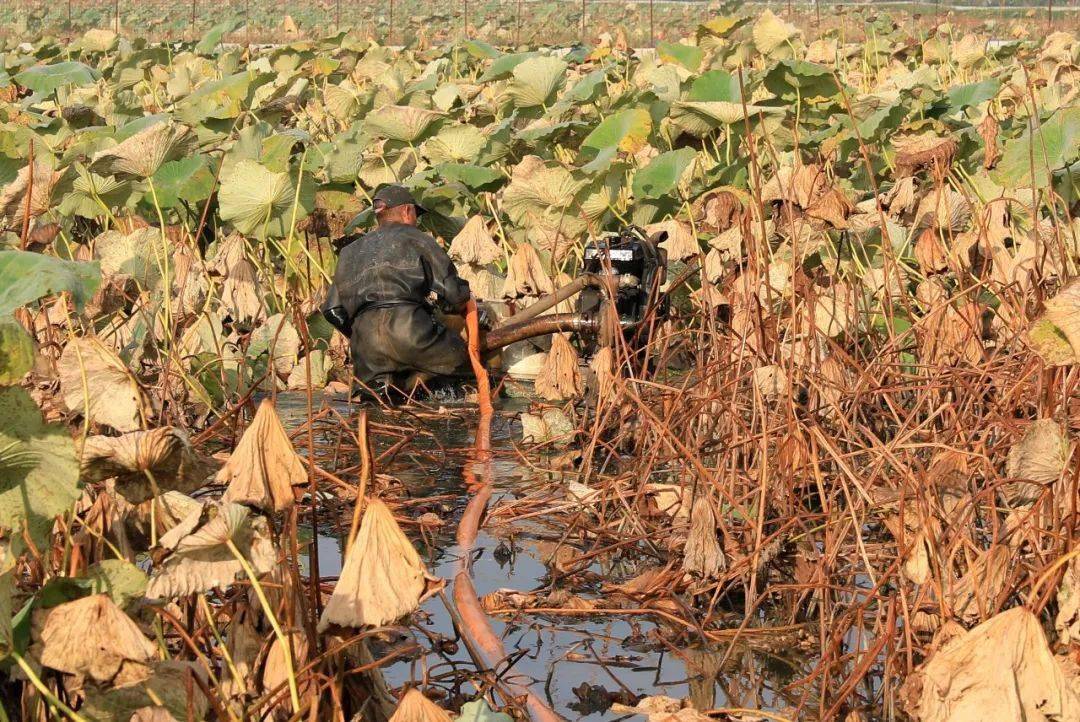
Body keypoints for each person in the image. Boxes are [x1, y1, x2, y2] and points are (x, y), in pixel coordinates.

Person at [322, 185, 473, 394]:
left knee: (375, 407)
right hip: (412, 334)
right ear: (407, 211)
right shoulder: (418, 238)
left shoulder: (348, 252)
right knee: (462, 366)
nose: (416, 220)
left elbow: (331, 311)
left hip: (367, 350)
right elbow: (455, 294)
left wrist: (359, 334)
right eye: (416, 214)